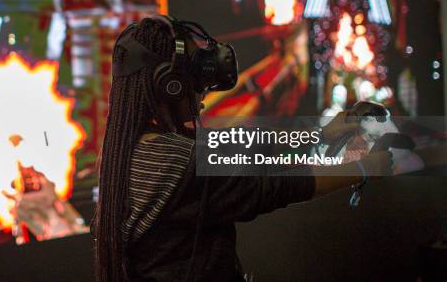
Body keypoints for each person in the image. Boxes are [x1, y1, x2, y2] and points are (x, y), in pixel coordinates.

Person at [94, 16, 394, 282]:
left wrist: (321, 135)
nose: (204, 91)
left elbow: (237, 145)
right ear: (169, 85)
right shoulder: (179, 162)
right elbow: (270, 187)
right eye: (196, 79)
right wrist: (364, 168)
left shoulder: (133, 149)